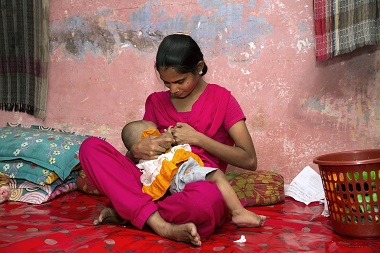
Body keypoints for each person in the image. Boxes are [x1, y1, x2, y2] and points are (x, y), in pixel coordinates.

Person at [79, 33, 263, 246]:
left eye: (180, 81)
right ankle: (161, 225)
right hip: (152, 184)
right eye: (167, 83)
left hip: (193, 186)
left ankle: (133, 213)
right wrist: (136, 151)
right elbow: (143, 164)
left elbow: (249, 159)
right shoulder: (156, 102)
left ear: (199, 67)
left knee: (206, 200)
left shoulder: (223, 99)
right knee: (89, 147)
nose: (173, 89)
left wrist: (198, 139)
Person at [122, 119, 266, 227]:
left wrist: (197, 137)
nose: (161, 131)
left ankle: (141, 215)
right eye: (156, 131)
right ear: (148, 136)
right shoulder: (152, 143)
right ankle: (238, 212)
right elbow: (166, 140)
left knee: (206, 194)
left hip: (176, 180)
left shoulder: (144, 158)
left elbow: (249, 160)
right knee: (217, 176)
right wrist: (170, 133)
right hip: (181, 174)